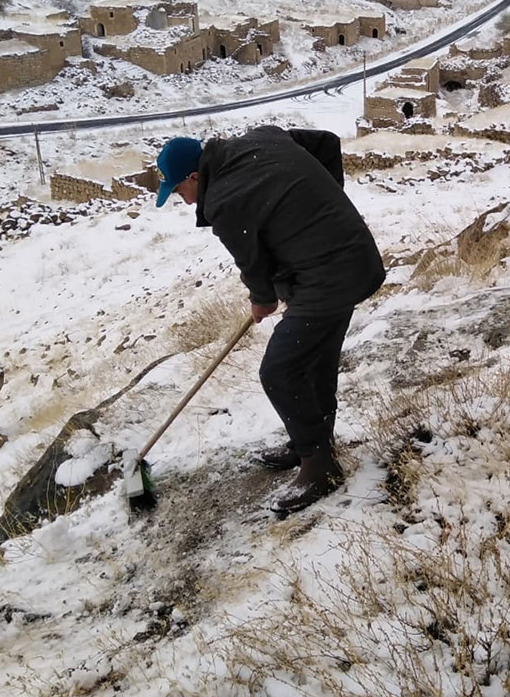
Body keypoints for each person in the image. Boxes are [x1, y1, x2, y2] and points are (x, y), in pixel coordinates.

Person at [153, 126, 385, 512]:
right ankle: (311, 443)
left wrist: (261, 299)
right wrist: (325, 208)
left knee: (279, 371)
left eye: (179, 191)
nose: (183, 200)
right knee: (313, 361)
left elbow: (253, 264)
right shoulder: (262, 137)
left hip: (331, 275)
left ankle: (320, 469)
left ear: (194, 176)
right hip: (348, 258)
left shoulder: (222, 200)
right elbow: (326, 143)